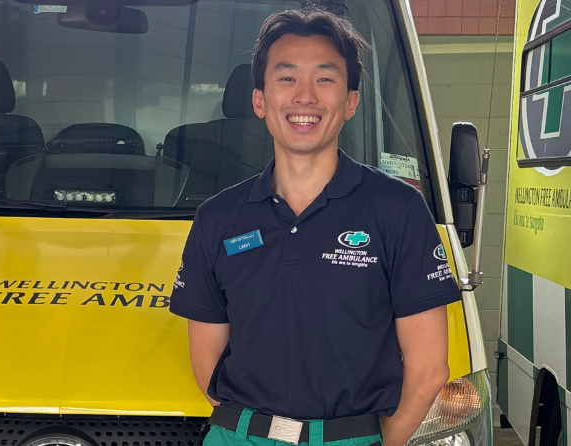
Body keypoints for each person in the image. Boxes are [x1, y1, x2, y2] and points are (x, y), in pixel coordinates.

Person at [169, 7, 460, 446]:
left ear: (350, 102)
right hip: (240, 437)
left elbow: (430, 367)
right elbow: (207, 366)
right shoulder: (218, 218)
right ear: (260, 100)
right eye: (286, 77)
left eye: (325, 78)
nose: (304, 96)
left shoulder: (398, 210)